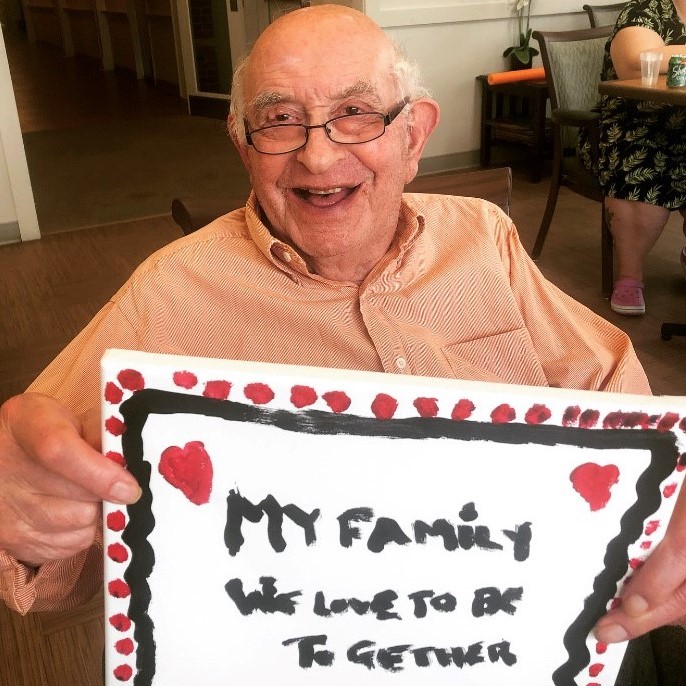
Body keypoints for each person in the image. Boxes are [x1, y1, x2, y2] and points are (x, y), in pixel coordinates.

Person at [0, 3, 681, 682]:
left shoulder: (483, 238)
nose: (319, 154)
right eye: (279, 120)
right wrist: (21, 506)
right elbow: (47, 528)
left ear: (413, 136)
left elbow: (613, 390)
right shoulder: (166, 298)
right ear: (243, 145)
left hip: (524, 634)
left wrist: (670, 493)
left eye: (357, 111)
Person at [578, 0, 686, 316]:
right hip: (632, 127)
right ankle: (630, 275)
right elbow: (635, 62)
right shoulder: (646, 11)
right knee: (644, 164)